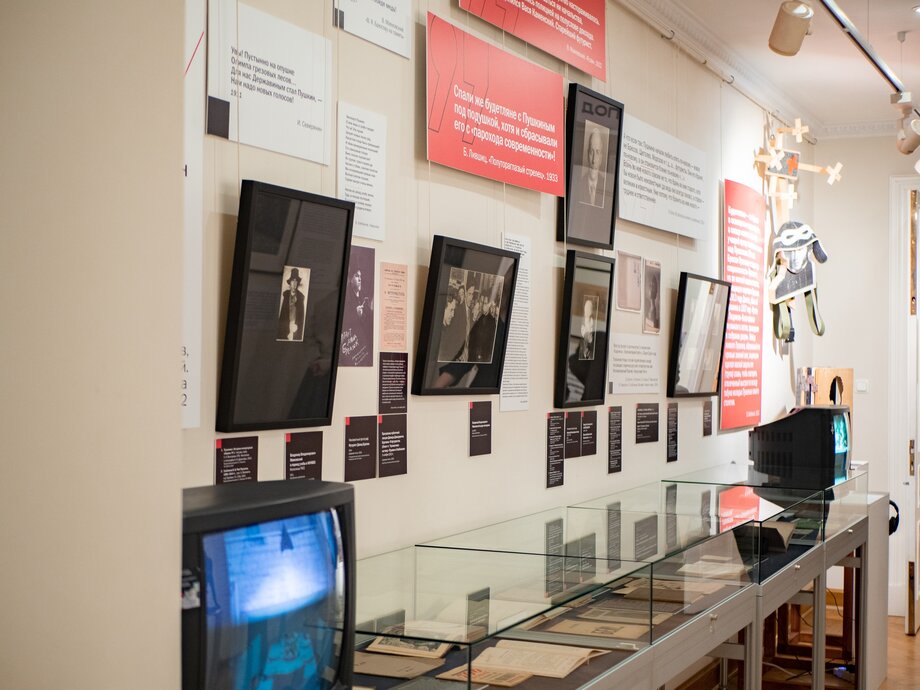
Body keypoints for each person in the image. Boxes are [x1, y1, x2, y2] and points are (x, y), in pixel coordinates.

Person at [578, 126, 606, 208]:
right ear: (587, 154)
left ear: (601, 157)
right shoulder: (579, 184)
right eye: (591, 152)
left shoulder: (606, 186)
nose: (594, 160)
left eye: (597, 152)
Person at [277, 268, 306, 342]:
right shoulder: (286, 295)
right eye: (292, 281)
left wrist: (296, 326)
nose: (294, 283)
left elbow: (301, 317)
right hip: (285, 325)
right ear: (290, 282)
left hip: (295, 326)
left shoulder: (301, 296)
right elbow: (282, 315)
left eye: (296, 281)